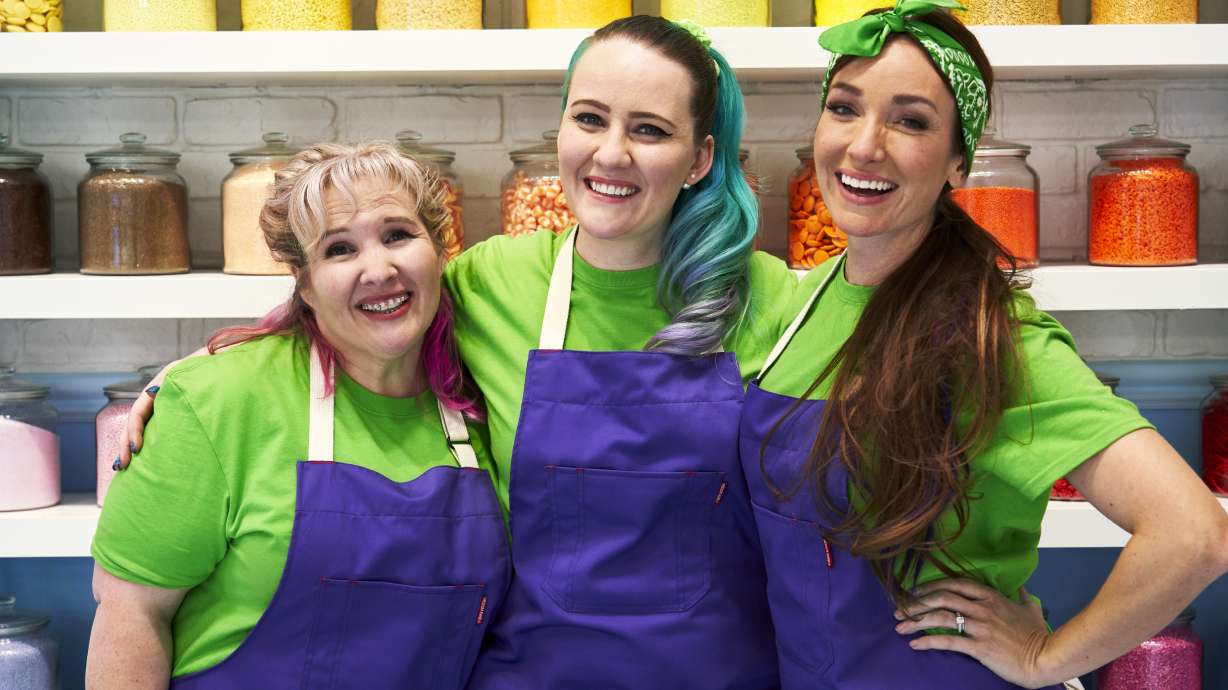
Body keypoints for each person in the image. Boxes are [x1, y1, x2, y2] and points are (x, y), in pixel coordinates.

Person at [121, 16, 796, 690]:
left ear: (701, 158)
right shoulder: (493, 280)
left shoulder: (767, 299)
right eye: (590, 119)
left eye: (649, 130)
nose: (611, 153)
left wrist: (906, 567)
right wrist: (196, 376)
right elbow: (359, 304)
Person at [739, 2, 1228, 688]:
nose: (864, 145)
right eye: (845, 108)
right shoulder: (804, 301)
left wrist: (1043, 658)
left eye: (910, 121)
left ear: (957, 164)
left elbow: (1193, 533)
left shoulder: (986, 335)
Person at [86, 143, 509, 690]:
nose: (378, 269)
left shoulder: (480, 410)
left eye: (398, 235)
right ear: (304, 282)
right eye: (339, 249)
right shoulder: (217, 402)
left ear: (440, 250)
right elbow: (132, 612)